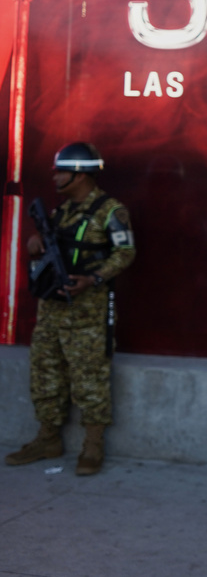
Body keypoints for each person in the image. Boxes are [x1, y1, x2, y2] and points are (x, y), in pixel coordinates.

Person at [5, 142, 136, 476]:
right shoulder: (61, 211)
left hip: (87, 312)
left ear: (80, 174)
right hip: (52, 308)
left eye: (61, 171)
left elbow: (125, 253)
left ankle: (92, 446)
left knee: (90, 378)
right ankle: (48, 438)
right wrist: (36, 245)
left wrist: (93, 278)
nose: (56, 177)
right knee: (45, 373)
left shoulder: (110, 211)